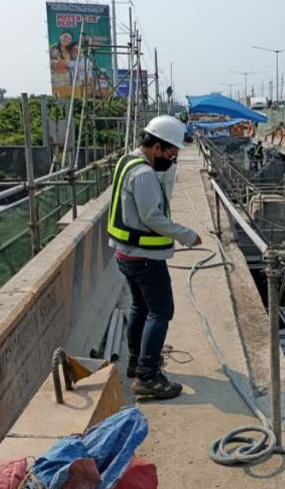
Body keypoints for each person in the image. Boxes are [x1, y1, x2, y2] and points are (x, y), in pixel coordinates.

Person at [108, 115, 202, 399]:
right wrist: (186, 234)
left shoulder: (127, 161)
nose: (171, 158)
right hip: (144, 258)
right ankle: (147, 376)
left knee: (140, 307)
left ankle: (137, 362)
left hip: (125, 254)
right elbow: (153, 217)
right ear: (157, 146)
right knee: (161, 312)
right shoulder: (145, 174)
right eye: (170, 152)